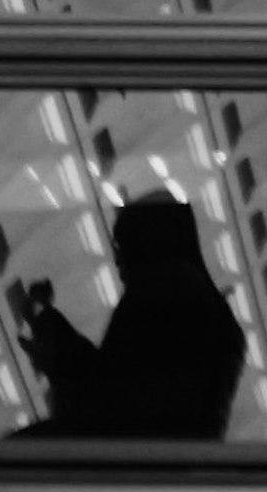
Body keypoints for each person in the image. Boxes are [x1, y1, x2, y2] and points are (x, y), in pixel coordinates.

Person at [14, 183, 247, 441]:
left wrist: (53, 335)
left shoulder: (162, 290)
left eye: (123, 243)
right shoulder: (194, 297)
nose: (117, 258)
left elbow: (111, 399)